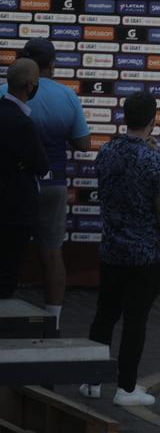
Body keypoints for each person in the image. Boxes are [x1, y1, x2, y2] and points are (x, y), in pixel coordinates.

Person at [79, 91, 160, 406]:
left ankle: (91, 381)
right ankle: (126, 388)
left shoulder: (106, 151)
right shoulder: (154, 161)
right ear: (153, 120)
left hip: (112, 249)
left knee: (105, 314)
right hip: (145, 253)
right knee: (136, 320)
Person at [0, 38, 90, 330]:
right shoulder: (67, 96)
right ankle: (53, 322)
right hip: (52, 184)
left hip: (9, 187)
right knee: (52, 253)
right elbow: (83, 144)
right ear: (51, 65)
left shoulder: (4, 92)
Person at [0, 59, 49, 299]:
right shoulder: (22, 123)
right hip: (14, 212)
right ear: (29, 86)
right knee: (7, 278)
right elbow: (41, 164)